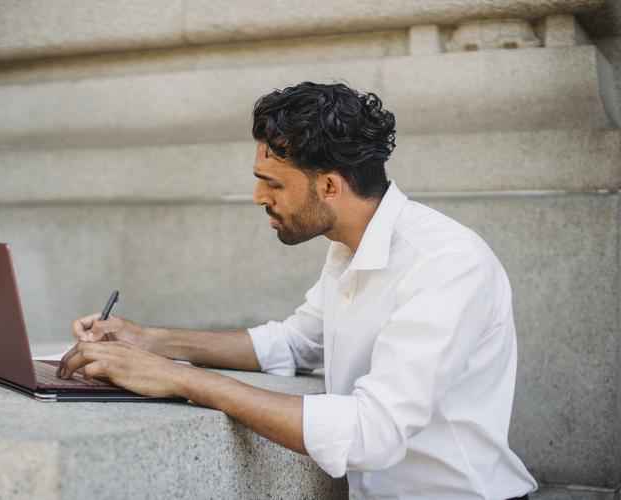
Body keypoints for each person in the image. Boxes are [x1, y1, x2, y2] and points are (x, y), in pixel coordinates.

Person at [58, 82, 537, 500]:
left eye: (272, 184)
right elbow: (294, 343)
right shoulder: (349, 247)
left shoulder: (446, 263)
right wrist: (149, 341)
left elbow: (374, 433)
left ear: (329, 186)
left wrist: (181, 379)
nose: (258, 198)